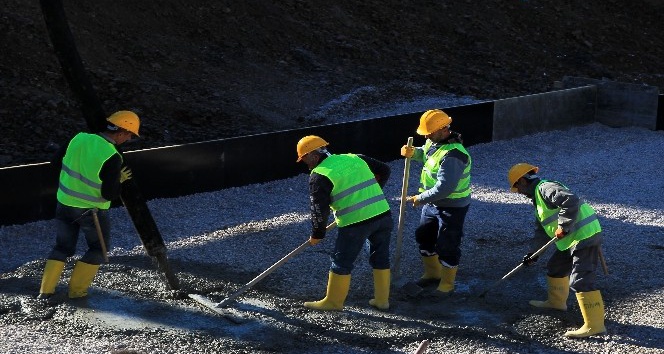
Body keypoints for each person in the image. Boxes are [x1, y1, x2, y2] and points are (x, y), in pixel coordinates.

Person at [38, 110, 140, 300]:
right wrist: (120, 180)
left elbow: (54, 163)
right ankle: (77, 292)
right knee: (98, 250)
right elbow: (108, 193)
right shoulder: (112, 156)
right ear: (121, 132)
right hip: (91, 212)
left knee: (62, 247)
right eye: (129, 136)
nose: (128, 140)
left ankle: (45, 291)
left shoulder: (78, 138)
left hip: (64, 204)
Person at [508, 163, 606, 338]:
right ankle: (556, 302)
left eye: (517, 188)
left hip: (584, 235)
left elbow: (571, 200)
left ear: (522, 181)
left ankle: (595, 325)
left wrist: (563, 225)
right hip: (571, 238)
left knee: (581, 280)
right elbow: (542, 232)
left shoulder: (546, 188)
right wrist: (533, 254)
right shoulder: (538, 200)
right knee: (556, 267)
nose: (519, 193)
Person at [296, 135, 393, 311]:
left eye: (304, 159)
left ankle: (333, 302)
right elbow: (385, 170)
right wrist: (373, 193)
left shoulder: (319, 175)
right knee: (380, 257)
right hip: (383, 214)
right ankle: (382, 301)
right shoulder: (354, 157)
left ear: (314, 156)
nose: (305, 163)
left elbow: (319, 210)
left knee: (341, 261)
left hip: (355, 223)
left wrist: (318, 234)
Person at [400, 109, 471, 296]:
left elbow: (445, 188)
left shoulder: (454, 155)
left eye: (430, 132)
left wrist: (420, 198)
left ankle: (447, 284)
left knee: (448, 244)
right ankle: (433, 273)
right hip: (433, 204)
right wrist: (414, 153)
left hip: (452, 206)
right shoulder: (434, 142)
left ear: (443, 129)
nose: (427, 136)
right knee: (424, 237)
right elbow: (426, 154)